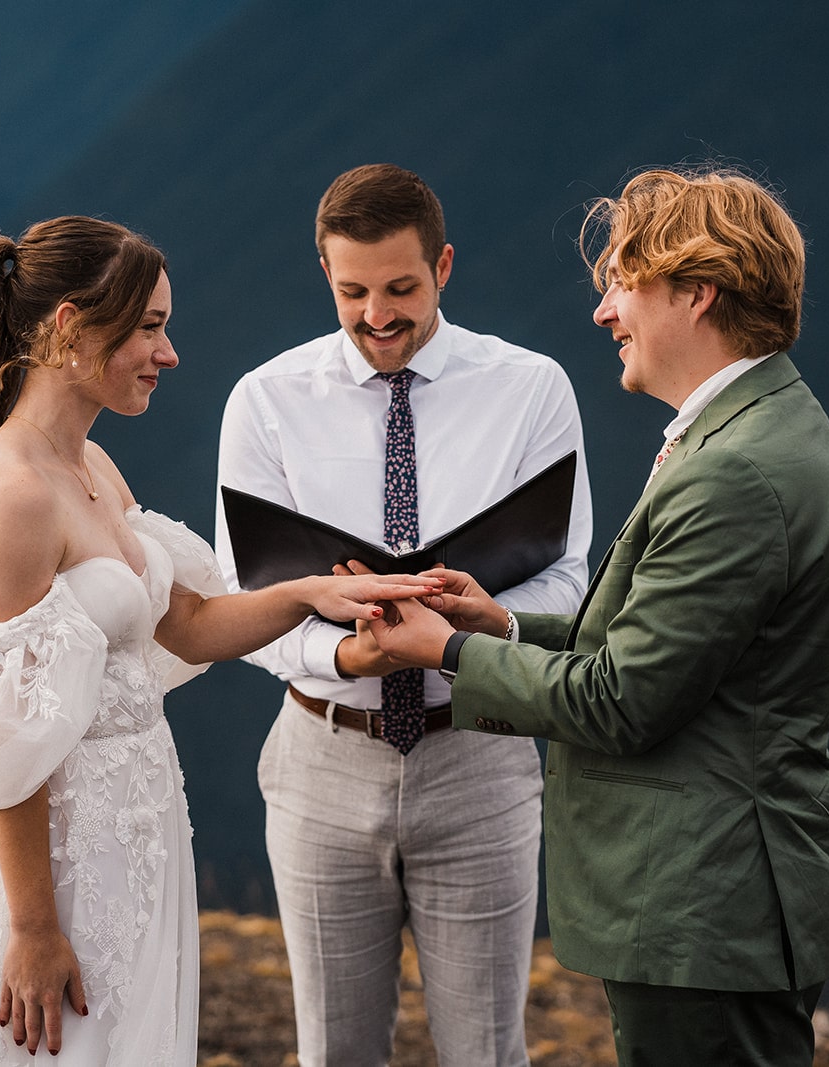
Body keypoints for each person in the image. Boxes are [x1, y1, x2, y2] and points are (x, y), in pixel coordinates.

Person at [0, 216, 439, 1066]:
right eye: (151, 328)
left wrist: (314, 595)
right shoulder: (12, 494)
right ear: (70, 328)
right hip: (57, 861)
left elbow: (188, 624)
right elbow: (6, 740)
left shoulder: (91, 466)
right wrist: (34, 930)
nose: (170, 354)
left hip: (136, 839)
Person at [365, 167, 829, 1067]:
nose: (604, 314)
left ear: (697, 293)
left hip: (703, 900)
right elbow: (667, 649)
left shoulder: (733, 473)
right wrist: (501, 628)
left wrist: (442, 649)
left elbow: (621, 699)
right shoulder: (764, 427)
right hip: (722, 896)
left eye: (624, 285)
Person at [213, 164, 592, 1066]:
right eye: (353, 291)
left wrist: (462, 633)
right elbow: (248, 601)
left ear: (445, 267)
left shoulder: (533, 388)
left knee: (486, 1052)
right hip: (320, 759)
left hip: (482, 753)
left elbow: (569, 581)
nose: (378, 315)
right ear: (325, 276)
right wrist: (349, 658)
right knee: (334, 1053)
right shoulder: (264, 401)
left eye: (401, 288)